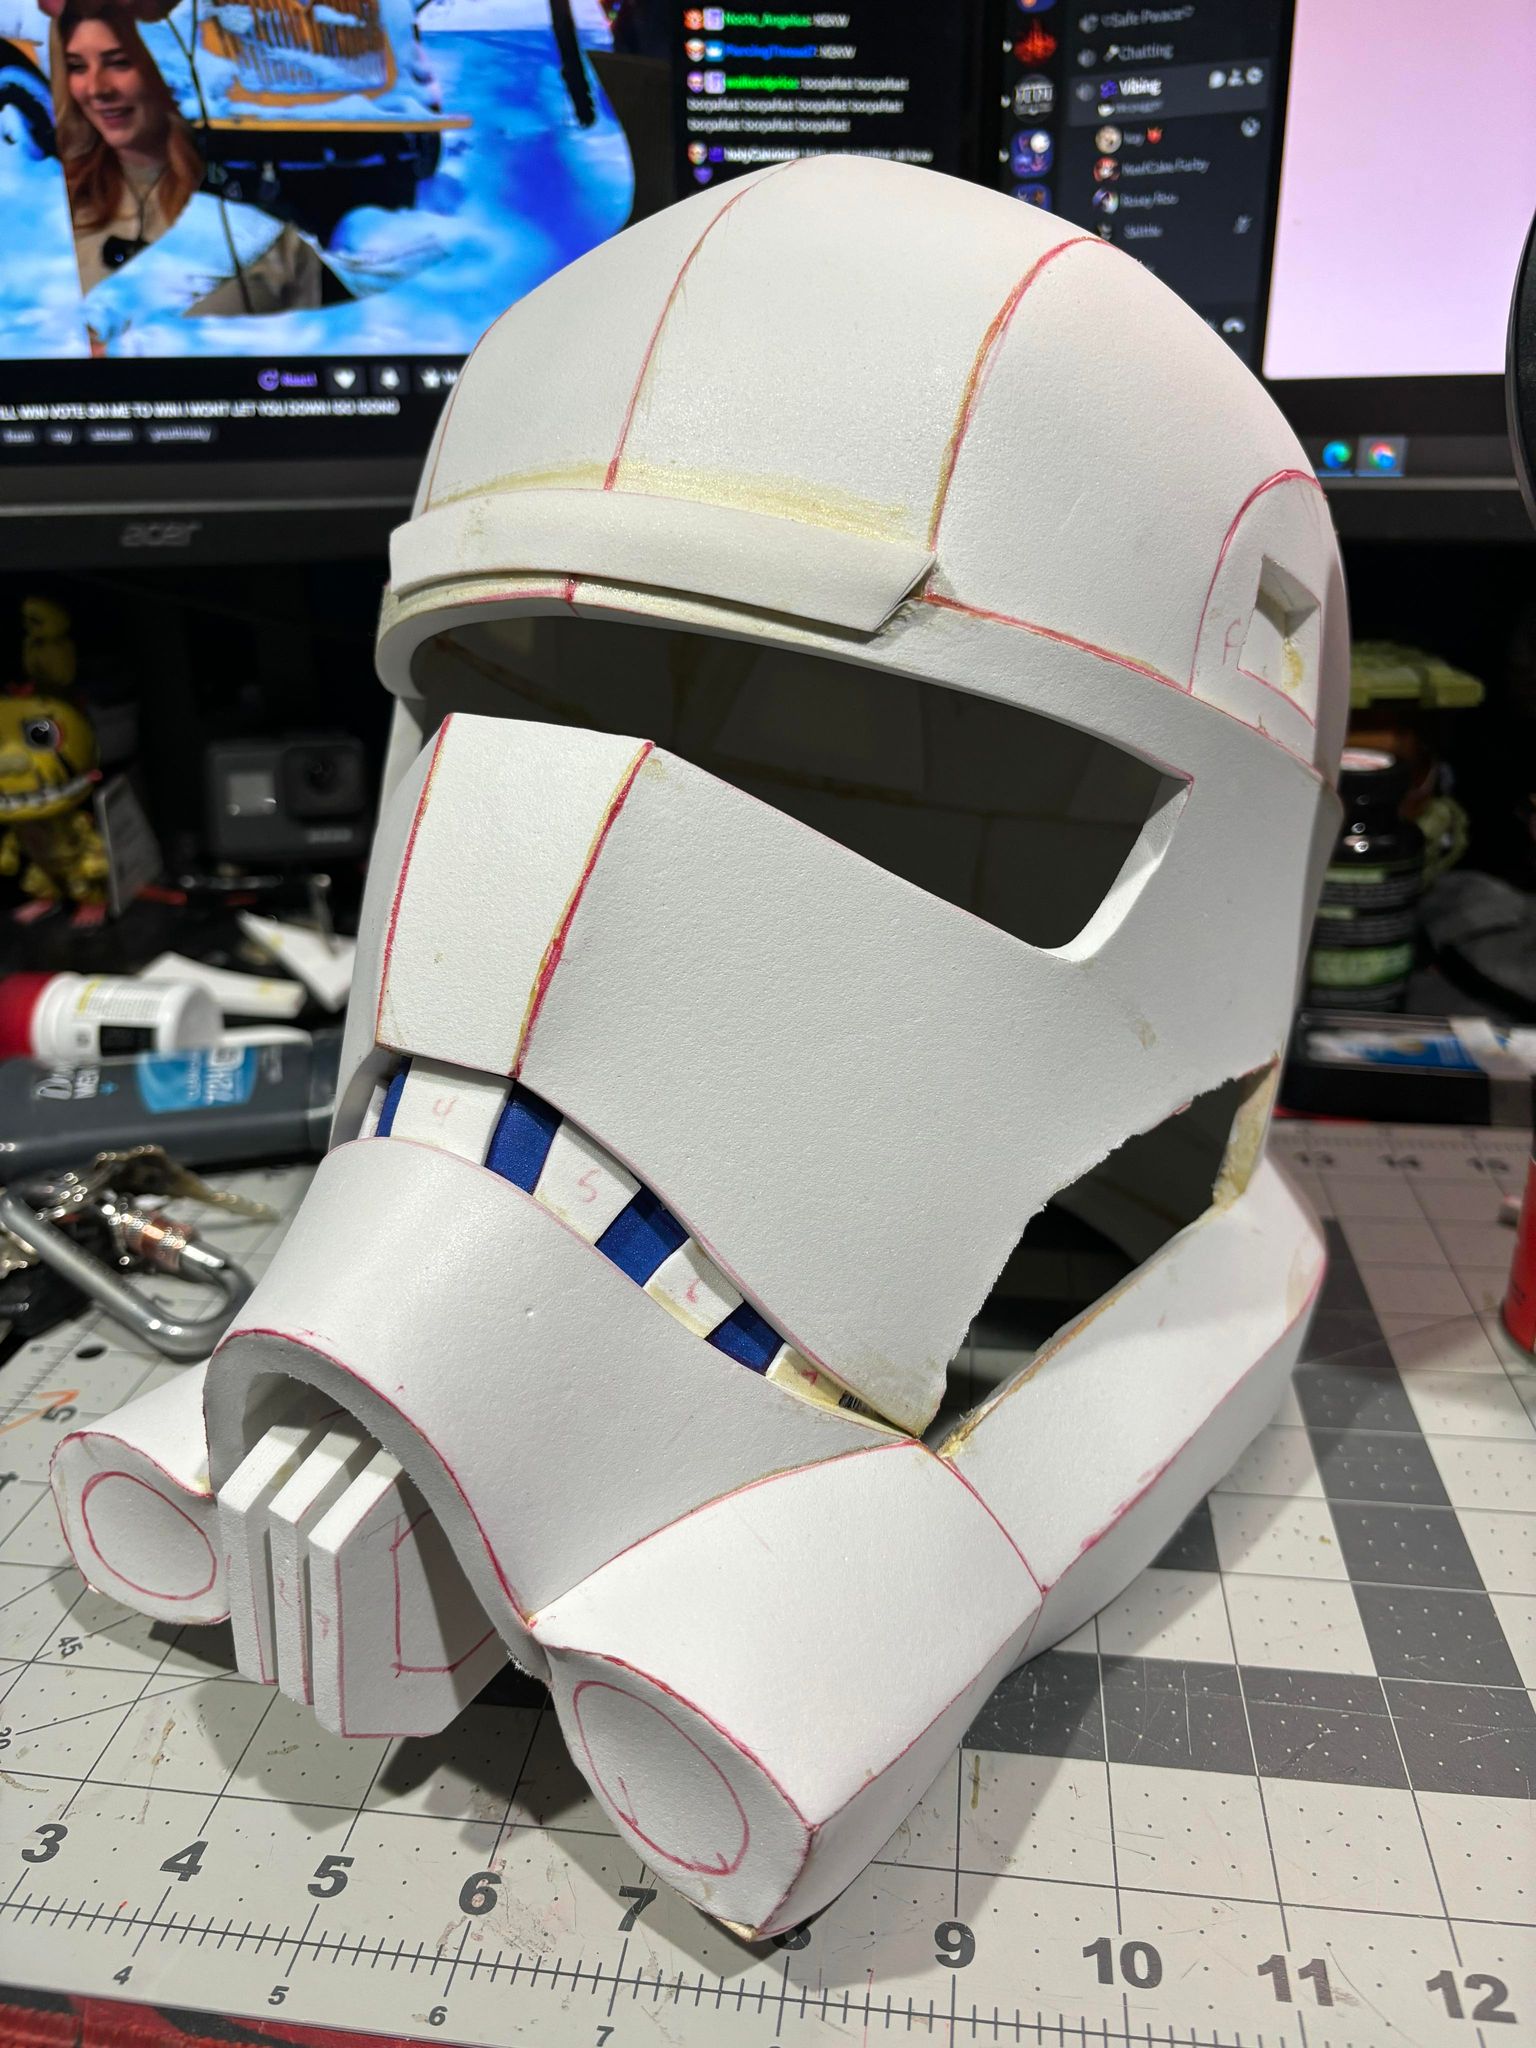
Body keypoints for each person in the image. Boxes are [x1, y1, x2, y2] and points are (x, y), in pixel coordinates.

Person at [51, 0, 326, 312]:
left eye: (119, 63)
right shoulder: (52, 206)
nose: (96, 89)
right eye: (77, 67)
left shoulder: (265, 210)